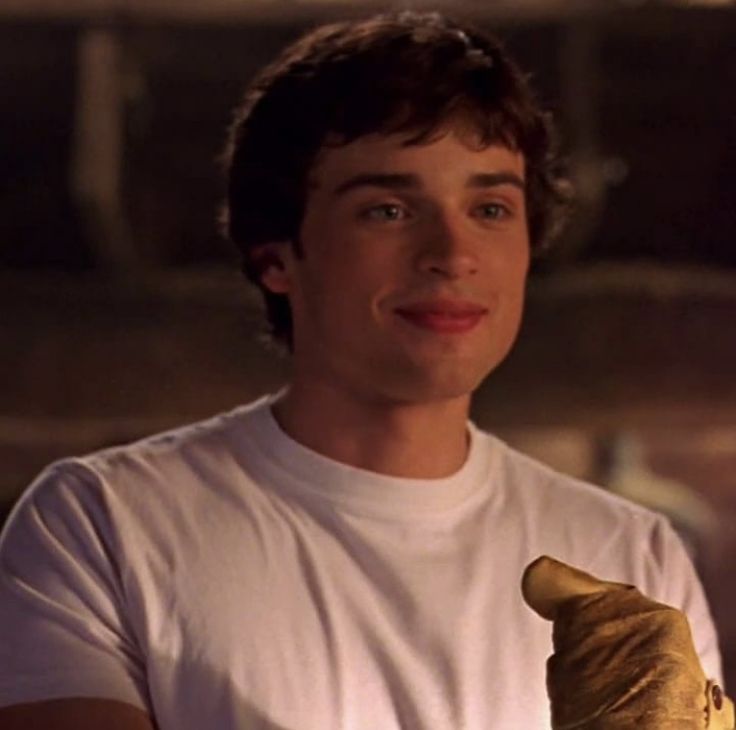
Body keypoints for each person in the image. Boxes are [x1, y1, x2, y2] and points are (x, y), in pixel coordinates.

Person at [0, 11, 722, 730]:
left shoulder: (632, 553)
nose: (453, 253)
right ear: (275, 256)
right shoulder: (101, 526)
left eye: (492, 207)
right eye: (388, 209)